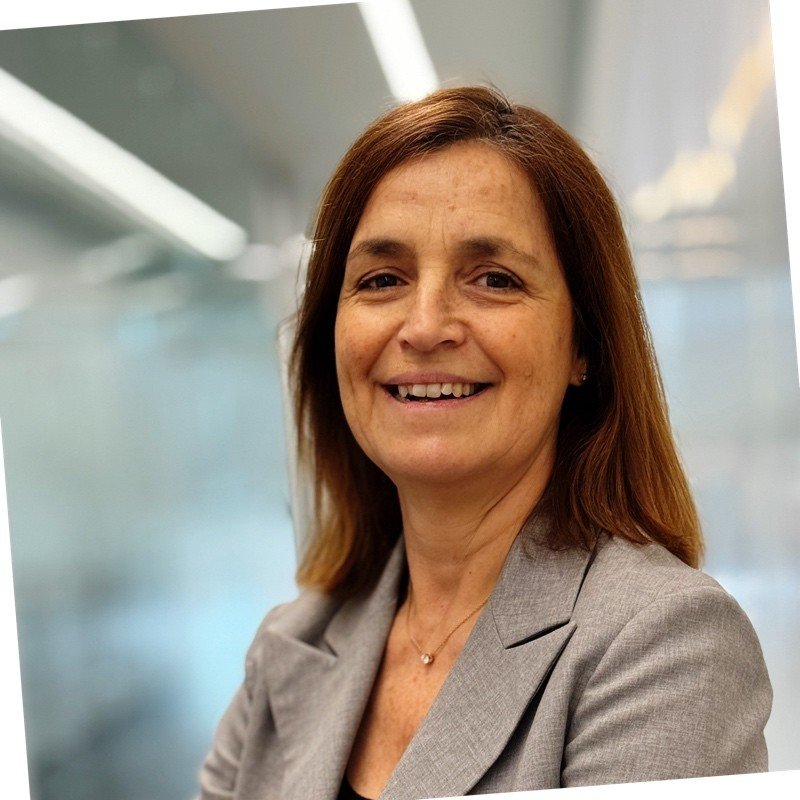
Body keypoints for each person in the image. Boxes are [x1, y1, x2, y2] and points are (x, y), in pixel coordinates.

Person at [198, 86, 771, 800]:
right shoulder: (292, 644)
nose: (425, 325)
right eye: (382, 280)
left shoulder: (664, 644)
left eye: (493, 279)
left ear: (582, 346)